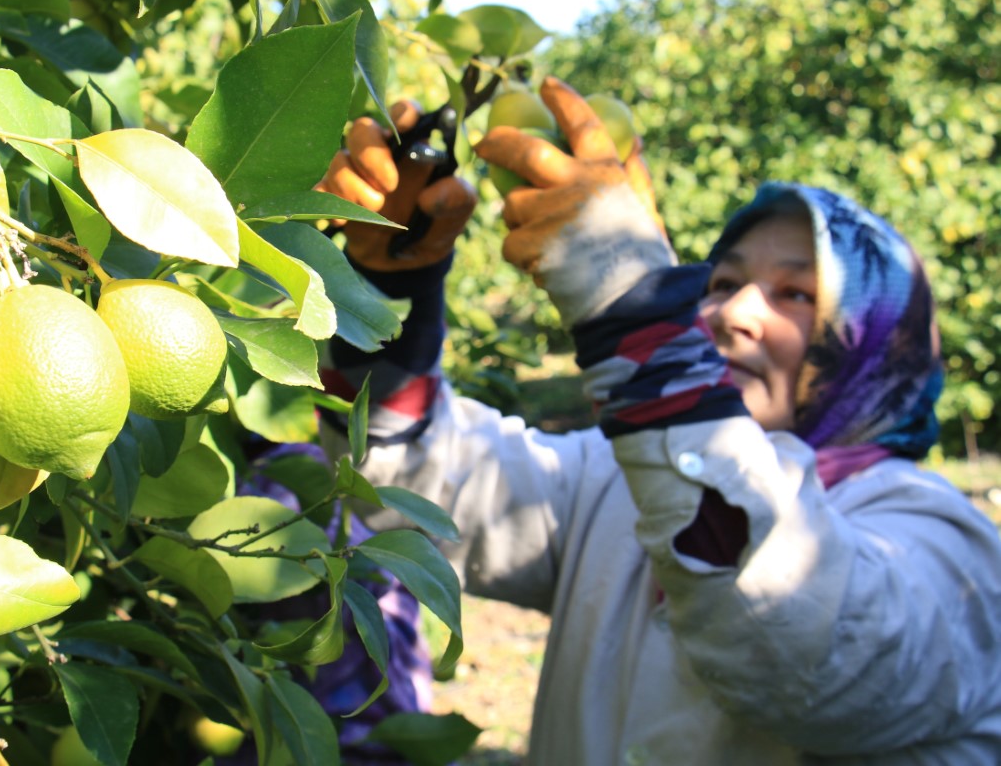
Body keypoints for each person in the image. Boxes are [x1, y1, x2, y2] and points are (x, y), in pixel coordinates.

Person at [314, 76, 1001, 764]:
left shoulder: (944, 548)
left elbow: (804, 651)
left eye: (794, 293)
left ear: (878, 347)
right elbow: (418, 477)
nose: (732, 312)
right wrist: (384, 290)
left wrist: (631, 302)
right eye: (723, 282)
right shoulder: (615, 479)